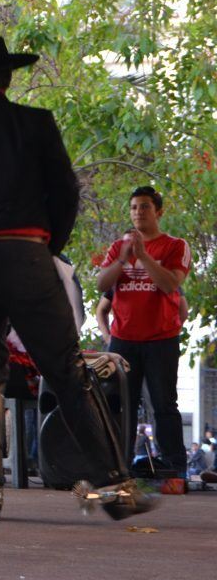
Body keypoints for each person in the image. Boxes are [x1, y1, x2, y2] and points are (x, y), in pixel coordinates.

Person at [0, 35, 151, 521]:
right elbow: (65, 195)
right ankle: (114, 487)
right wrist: (44, 248)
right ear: (7, 78)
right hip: (28, 257)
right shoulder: (36, 123)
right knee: (67, 371)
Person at [97, 186, 191, 475]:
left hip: (160, 340)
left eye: (145, 206)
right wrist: (124, 258)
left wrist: (144, 256)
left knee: (164, 403)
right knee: (115, 404)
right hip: (123, 341)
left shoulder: (175, 246)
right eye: (134, 207)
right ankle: (115, 465)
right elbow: (101, 286)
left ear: (159, 211)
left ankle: (174, 467)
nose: (139, 212)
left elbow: (170, 285)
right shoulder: (117, 248)